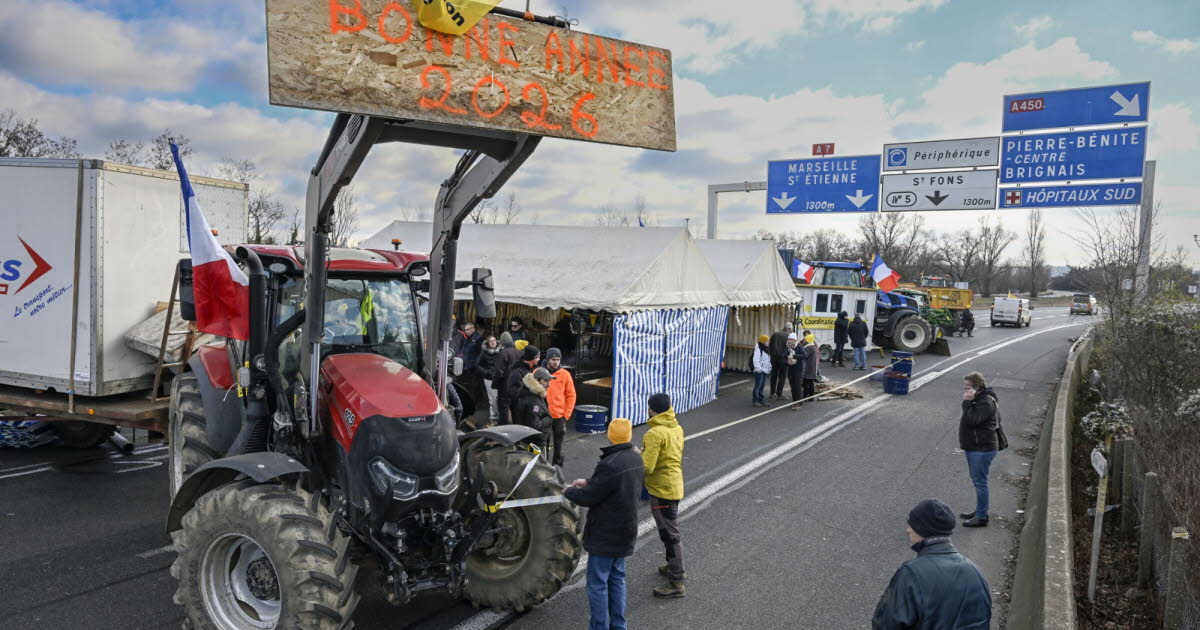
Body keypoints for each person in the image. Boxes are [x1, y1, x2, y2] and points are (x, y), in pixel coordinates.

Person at [565, 418, 643, 630]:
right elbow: (614, 484)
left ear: (610, 435)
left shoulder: (609, 463)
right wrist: (589, 481)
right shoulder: (636, 458)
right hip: (626, 530)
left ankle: (599, 627)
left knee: (597, 585)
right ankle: (619, 626)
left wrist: (570, 491)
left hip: (606, 535)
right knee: (617, 580)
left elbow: (589, 498)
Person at [871, 498, 992, 629]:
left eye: (911, 524)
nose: (908, 530)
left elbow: (886, 624)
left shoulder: (911, 574)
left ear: (922, 528)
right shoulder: (975, 571)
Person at [642, 392, 686, 599]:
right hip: (674, 484)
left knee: (670, 535)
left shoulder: (654, 433)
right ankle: (672, 566)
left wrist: (636, 455)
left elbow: (648, 467)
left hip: (662, 490)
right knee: (669, 532)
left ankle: (676, 581)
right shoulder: (676, 428)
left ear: (651, 409)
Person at [960, 372, 1000, 527]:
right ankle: (979, 510)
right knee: (978, 481)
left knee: (980, 482)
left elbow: (972, 420)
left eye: (968, 386)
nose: (965, 390)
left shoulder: (985, 402)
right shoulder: (980, 399)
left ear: (977, 386)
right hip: (976, 446)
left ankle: (982, 516)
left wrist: (967, 402)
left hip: (982, 448)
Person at [544, 347, 576, 467]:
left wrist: (566, 415)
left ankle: (557, 469)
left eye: (558, 359)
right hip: (544, 415)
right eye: (553, 359)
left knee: (559, 446)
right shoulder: (539, 372)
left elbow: (571, 395)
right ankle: (543, 467)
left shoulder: (565, 375)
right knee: (543, 444)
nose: (556, 362)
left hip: (559, 416)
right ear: (548, 359)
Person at [512, 366, 554, 451]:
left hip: (532, 440)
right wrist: (548, 419)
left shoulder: (533, 392)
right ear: (537, 381)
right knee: (536, 463)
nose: (548, 384)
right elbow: (534, 425)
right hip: (535, 442)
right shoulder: (533, 402)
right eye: (545, 380)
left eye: (549, 381)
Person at [504, 344, 541, 424]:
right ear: (532, 358)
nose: (539, 359)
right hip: (520, 412)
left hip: (526, 410)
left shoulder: (529, 369)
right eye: (538, 357)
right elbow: (513, 392)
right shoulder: (517, 372)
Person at [491, 332, 521, 424]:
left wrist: (494, 384)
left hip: (505, 388)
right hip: (517, 386)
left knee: (503, 411)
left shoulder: (503, 353)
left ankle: (504, 432)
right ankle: (518, 431)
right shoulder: (519, 352)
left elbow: (499, 371)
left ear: (502, 342)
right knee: (516, 410)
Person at [477, 335, 501, 425]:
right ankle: (494, 418)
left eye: (494, 340)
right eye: (490, 341)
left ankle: (501, 416)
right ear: (487, 343)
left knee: (500, 398)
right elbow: (478, 364)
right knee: (493, 399)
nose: (493, 342)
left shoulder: (501, 351)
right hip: (489, 379)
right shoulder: (484, 353)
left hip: (500, 378)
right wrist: (486, 372)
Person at [768, 323, 793, 400]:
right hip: (783, 359)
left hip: (774, 358)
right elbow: (790, 349)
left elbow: (769, 345)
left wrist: (771, 355)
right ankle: (779, 394)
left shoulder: (775, 334)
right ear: (789, 329)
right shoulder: (788, 336)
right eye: (791, 329)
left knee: (773, 375)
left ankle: (772, 393)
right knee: (782, 376)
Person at [751, 334, 772, 407]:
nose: (768, 342)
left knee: (762, 386)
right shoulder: (758, 349)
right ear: (763, 342)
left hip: (765, 370)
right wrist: (759, 370)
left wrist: (769, 367)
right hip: (760, 371)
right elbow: (755, 360)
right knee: (758, 386)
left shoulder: (766, 348)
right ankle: (755, 401)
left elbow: (768, 360)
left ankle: (761, 400)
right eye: (767, 341)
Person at [786, 333, 804, 409]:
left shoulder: (799, 347)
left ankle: (799, 402)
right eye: (788, 339)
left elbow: (804, 355)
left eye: (790, 339)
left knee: (797, 386)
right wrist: (787, 361)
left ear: (794, 340)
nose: (788, 341)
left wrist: (794, 356)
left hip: (798, 370)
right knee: (792, 386)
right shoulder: (788, 347)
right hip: (790, 369)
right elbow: (784, 355)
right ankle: (794, 401)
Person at [801, 334, 819, 407]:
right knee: (811, 382)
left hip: (808, 367)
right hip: (812, 367)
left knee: (806, 382)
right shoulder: (813, 346)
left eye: (805, 339)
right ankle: (811, 396)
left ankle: (805, 396)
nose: (804, 340)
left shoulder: (808, 348)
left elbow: (804, 356)